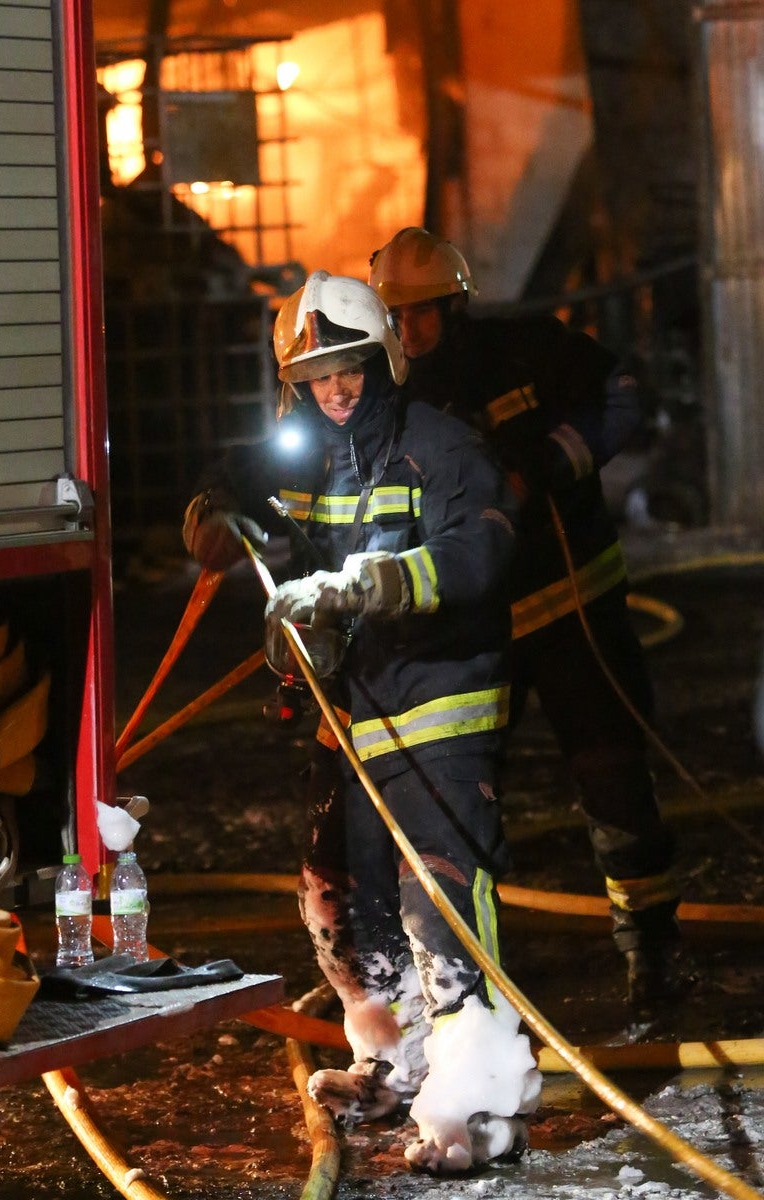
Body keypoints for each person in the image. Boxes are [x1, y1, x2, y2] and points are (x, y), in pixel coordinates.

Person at [182, 270, 542, 1174]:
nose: (335, 391)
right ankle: (392, 1061)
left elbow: (479, 551)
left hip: (440, 706)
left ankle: (482, 1110)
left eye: (349, 369)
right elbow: (239, 532)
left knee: (443, 900)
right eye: (316, 379)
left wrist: (368, 583)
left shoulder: (442, 448)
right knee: (340, 894)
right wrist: (227, 512)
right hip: (355, 720)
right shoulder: (313, 460)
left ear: (383, 359)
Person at [368, 227, 690, 1017]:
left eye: (422, 316)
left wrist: (550, 460)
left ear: (456, 304)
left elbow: (622, 396)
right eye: (395, 318)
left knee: (614, 778)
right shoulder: (392, 400)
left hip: (575, 609)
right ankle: (468, 984)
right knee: (461, 800)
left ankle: (649, 953)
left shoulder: (526, 352)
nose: (409, 334)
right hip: (477, 635)